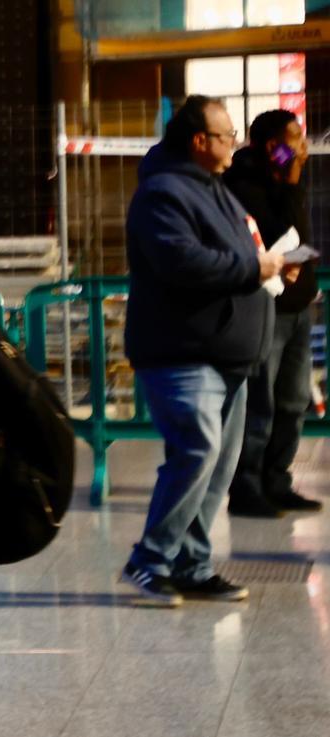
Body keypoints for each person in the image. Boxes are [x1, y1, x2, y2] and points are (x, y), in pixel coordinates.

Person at [120, 95, 292, 606]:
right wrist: (251, 269)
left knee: (216, 467)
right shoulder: (163, 194)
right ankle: (149, 561)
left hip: (227, 354)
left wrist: (273, 264)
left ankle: (192, 565)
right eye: (227, 135)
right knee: (197, 451)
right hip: (182, 352)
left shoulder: (216, 190)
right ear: (200, 141)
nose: (235, 143)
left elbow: (243, 251)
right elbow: (181, 262)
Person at [223, 109, 323, 517]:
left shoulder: (281, 179)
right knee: (260, 403)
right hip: (267, 308)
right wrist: (292, 181)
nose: (302, 147)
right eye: (295, 140)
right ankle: (246, 487)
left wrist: (292, 182)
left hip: (299, 306)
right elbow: (282, 234)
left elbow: (303, 235)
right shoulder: (243, 182)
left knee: (294, 400)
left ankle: (277, 481)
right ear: (272, 147)